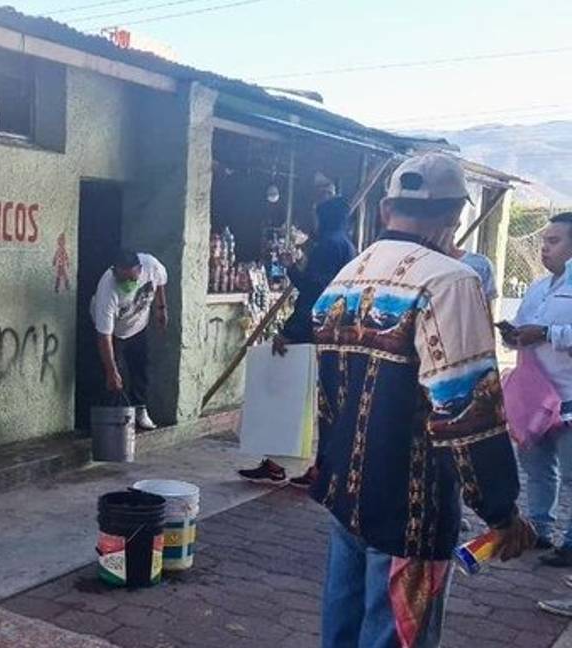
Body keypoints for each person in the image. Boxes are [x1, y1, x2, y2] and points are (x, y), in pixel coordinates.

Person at [311, 153, 533, 647]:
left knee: (340, 634)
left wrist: (329, 471)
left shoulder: (344, 278)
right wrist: (500, 510)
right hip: (411, 510)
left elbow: (329, 402)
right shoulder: (449, 281)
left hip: (345, 494)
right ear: (454, 214)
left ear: (386, 209)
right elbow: (466, 411)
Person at [238, 197, 357, 487]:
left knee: (285, 396)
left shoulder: (327, 246)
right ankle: (318, 467)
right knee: (323, 404)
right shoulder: (347, 246)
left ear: (324, 217)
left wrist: (290, 330)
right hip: (333, 333)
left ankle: (282, 465)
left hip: (309, 333)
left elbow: (314, 292)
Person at [500, 212, 572, 567]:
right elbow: (524, 329)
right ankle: (540, 529)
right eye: (544, 241)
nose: (544, 248)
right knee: (537, 466)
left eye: (553, 241)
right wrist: (512, 335)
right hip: (535, 398)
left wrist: (546, 333)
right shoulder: (538, 288)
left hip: (569, 397)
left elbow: (545, 333)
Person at [90, 250, 168, 431]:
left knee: (140, 367)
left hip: (138, 324)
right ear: (114, 271)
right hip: (113, 332)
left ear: (140, 269)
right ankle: (113, 420)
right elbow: (104, 336)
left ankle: (140, 408)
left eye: (132, 279)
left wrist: (161, 308)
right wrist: (111, 371)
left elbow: (160, 283)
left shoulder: (152, 266)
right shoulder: (107, 290)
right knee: (112, 376)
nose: (127, 284)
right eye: (122, 279)